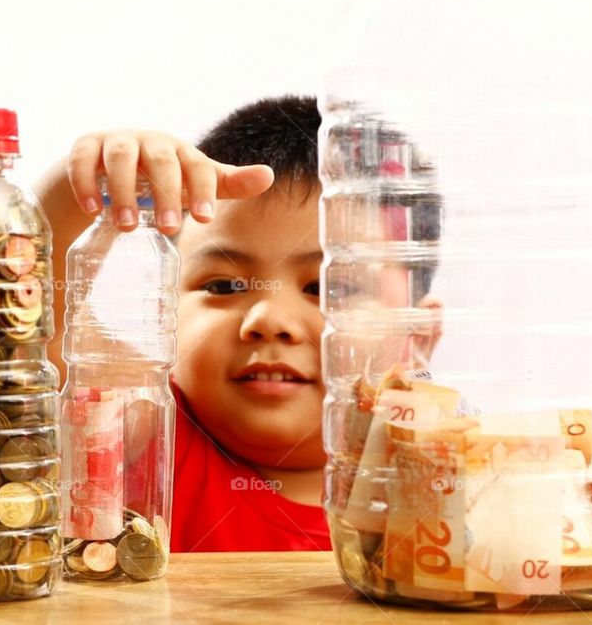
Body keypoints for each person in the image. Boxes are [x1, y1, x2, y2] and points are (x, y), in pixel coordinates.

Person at [36, 95, 442, 552]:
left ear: (419, 336)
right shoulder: (145, 423)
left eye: (326, 288)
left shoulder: (454, 476)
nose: (268, 319)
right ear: (164, 309)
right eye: (225, 286)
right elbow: (26, 327)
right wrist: (83, 188)